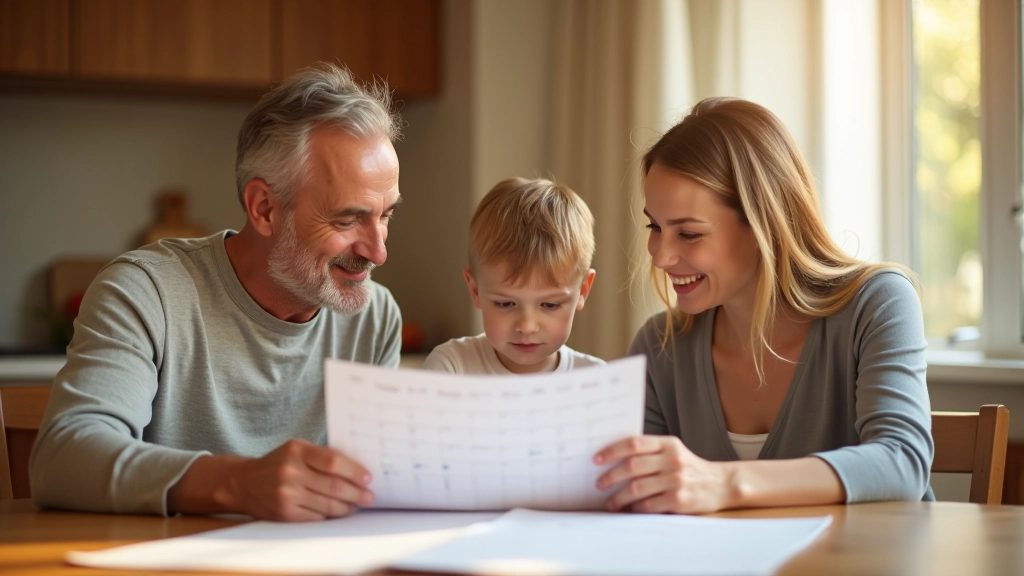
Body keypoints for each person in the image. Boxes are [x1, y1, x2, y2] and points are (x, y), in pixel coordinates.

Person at [30, 63, 403, 521]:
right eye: (348, 219)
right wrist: (237, 484)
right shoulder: (146, 293)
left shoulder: (375, 317)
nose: (378, 252)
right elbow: (62, 459)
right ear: (264, 208)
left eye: (385, 215)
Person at [593, 97, 933, 513]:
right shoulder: (660, 346)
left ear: (762, 224)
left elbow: (903, 462)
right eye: (655, 227)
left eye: (689, 234)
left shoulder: (878, 304)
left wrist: (724, 482)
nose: (660, 256)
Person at [423, 177, 603, 374]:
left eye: (550, 305)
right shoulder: (452, 366)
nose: (526, 326)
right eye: (505, 304)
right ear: (475, 290)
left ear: (583, 290)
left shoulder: (597, 378)